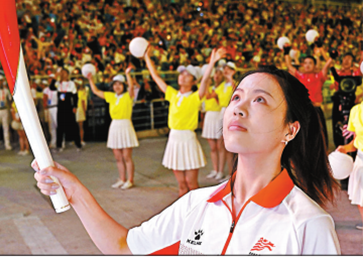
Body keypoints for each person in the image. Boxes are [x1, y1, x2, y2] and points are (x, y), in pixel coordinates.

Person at [33, 66, 340, 254]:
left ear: (290, 129)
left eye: (259, 99)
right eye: (236, 97)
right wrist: (73, 192)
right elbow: (124, 247)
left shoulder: (307, 224)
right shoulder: (196, 204)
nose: (239, 107)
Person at [144, 46, 225, 196]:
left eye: (188, 75)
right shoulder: (172, 94)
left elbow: (206, 79)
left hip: (188, 140)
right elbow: (155, 76)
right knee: (181, 186)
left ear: (194, 81)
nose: (183, 76)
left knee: (192, 185)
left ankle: (196, 216)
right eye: (182, 74)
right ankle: (184, 217)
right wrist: (146, 57)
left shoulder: (195, 97)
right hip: (174, 139)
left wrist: (212, 61)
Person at [87, 67, 139, 189]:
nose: (117, 86)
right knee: (118, 157)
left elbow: (131, 87)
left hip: (125, 126)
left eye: (120, 84)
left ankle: (130, 180)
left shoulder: (128, 96)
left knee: (127, 156)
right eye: (115, 84)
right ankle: (122, 179)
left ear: (123, 86)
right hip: (114, 126)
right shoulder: (111, 96)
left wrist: (127, 74)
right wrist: (90, 79)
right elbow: (95, 91)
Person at [284, 46, 332, 149]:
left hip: (316, 110)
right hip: (303, 111)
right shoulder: (299, 76)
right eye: (305, 63)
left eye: (310, 63)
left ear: (315, 65)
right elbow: (289, 66)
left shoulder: (319, 76)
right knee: (304, 138)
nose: (307, 65)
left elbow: (328, 63)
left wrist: (322, 51)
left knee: (320, 138)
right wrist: (287, 52)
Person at [337, 105, 363, 231]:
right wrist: (345, 148)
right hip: (361, 160)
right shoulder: (356, 111)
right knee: (361, 198)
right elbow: (357, 140)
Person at [330, 52, 362, 148]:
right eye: (345, 58)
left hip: (352, 103)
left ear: (353, 62)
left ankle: (353, 146)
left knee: (352, 125)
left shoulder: (356, 73)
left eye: (349, 59)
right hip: (338, 102)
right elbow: (330, 63)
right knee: (337, 124)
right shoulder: (337, 72)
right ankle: (339, 146)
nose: (347, 60)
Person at [202, 67, 226, 181]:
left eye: (219, 74)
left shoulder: (222, 88)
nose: (216, 76)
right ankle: (215, 169)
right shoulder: (210, 87)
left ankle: (221, 171)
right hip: (209, 117)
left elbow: (209, 96)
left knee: (220, 146)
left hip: (218, 116)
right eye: (215, 73)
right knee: (212, 147)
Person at [51, 68, 81, 151]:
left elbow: (75, 96)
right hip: (60, 107)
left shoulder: (71, 83)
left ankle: (78, 144)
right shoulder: (58, 83)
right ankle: (59, 145)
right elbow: (51, 87)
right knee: (60, 126)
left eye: (64, 73)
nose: (63, 74)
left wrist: (75, 106)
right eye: (62, 73)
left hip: (69, 106)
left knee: (73, 125)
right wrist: (55, 76)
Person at [43, 77, 58, 149]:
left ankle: (61, 142)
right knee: (51, 126)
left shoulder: (57, 88)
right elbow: (44, 98)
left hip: (56, 107)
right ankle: (53, 142)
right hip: (49, 108)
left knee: (58, 124)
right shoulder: (46, 90)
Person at [76, 79, 88, 146]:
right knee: (80, 126)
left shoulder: (80, 91)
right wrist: (84, 111)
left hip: (77, 109)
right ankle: (81, 140)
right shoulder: (81, 92)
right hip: (80, 109)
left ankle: (80, 139)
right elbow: (83, 102)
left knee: (79, 126)